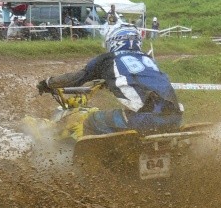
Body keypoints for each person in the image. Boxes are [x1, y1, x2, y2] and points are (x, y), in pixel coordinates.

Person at [36, 24, 183, 137]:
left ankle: (93, 168)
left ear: (114, 41)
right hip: (174, 117)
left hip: (143, 120)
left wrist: (48, 83)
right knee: (128, 115)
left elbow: (76, 79)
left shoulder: (107, 59)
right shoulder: (148, 59)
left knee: (92, 121)